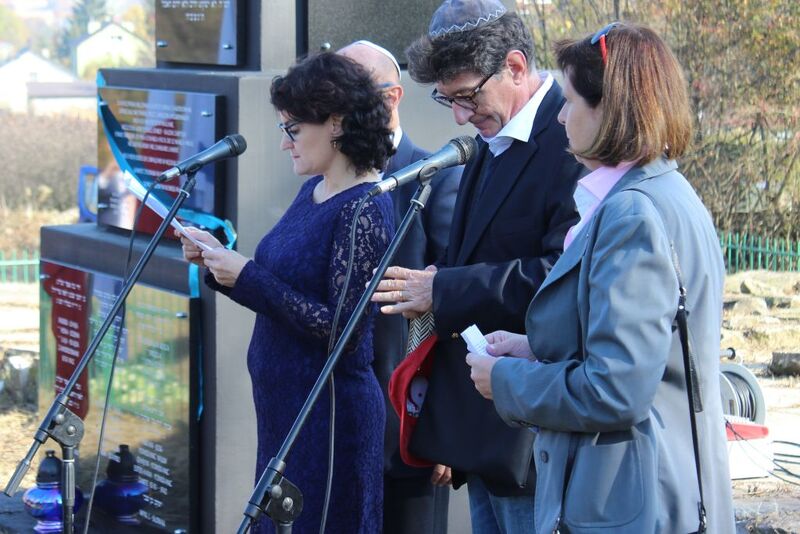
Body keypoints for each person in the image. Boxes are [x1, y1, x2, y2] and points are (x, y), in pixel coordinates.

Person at [466, 22, 736, 533]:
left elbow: (616, 389)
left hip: (630, 502)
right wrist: (535, 349)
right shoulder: (665, 192)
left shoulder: (632, 215)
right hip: (652, 490)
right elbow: (642, 351)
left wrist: (506, 380)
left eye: (569, 101)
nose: (560, 116)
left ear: (611, 109)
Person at [372, 1, 582, 531]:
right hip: (482, 427)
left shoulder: (572, 136)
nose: (460, 116)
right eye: (448, 100)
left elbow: (563, 275)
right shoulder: (490, 135)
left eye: (467, 96)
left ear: (515, 66)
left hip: (534, 428)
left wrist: (441, 289)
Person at [178, 53, 395, 533]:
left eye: (293, 129)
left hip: (329, 417)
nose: (283, 143)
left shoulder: (364, 208)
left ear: (336, 123)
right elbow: (281, 290)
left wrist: (246, 275)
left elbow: (344, 332)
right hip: (283, 410)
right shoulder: (313, 190)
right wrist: (219, 263)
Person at [338, 40, 460, 534]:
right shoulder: (326, 181)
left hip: (406, 434)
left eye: (348, 90)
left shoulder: (437, 177)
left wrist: (444, 425)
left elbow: (455, 305)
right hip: (336, 428)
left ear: (392, 97)